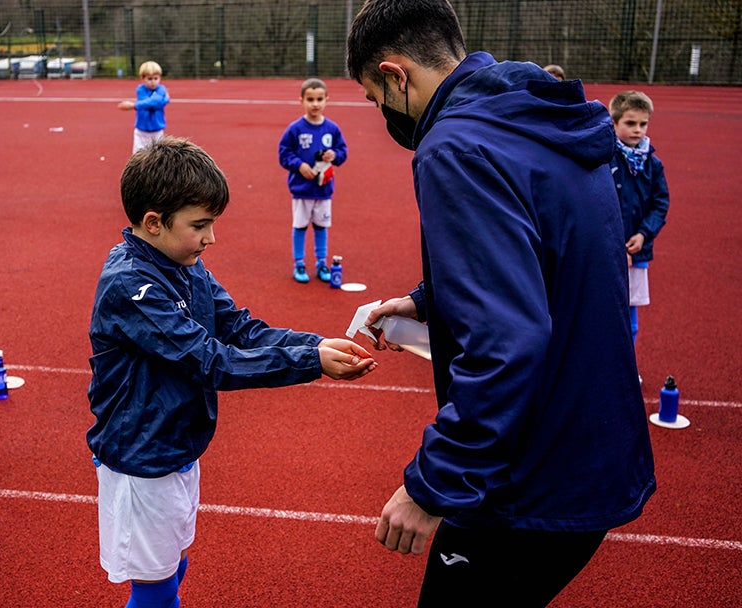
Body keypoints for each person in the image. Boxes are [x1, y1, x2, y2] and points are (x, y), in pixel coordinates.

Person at [346, 1, 655, 606]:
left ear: (395, 74)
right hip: (594, 442)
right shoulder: (537, 114)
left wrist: (434, 483)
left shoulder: (455, 146)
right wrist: (427, 300)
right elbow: (549, 255)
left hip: (532, 473)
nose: (381, 114)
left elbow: (507, 342)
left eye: (372, 96)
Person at [86, 136, 376, 608]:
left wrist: (315, 344)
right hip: (142, 457)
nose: (210, 238)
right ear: (154, 223)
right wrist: (310, 363)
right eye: (200, 225)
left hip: (176, 443)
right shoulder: (130, 286)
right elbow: (211, 361)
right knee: (156, 590)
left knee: (175, 564)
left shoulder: (185, 263)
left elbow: (239, 328)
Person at [609, 90, 670, 348]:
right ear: (615, 123)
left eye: (643, 124)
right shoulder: (604, 158)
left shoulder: (653, 164)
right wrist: (613, 245)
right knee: (603, 311)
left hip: (637, 251)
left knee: (630, 318)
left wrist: (644, 234)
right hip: (607, 252)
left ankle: (628, 368)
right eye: (630, 123)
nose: (637, 130)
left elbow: (660, 203)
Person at [278, 78, 348, 283]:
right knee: (300, 226)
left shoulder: (332, 129)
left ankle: (321, 262)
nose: (315, 104)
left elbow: (343, 152)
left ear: (327, 100)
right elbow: (284, 153)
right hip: (301, 189)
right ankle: (299, 263)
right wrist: (299, 165)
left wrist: (334, 155)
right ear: (301, 101)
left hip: (324, 189)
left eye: (319, 99)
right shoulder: (295, 129)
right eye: (310, 99)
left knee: (320, 226)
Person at [118, 60, 170, 154]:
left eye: (156, 78)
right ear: (142, 78)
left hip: (157, 131)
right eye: (150, 79)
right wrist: (164, 100)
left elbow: (155, 102)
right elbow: (153, 103)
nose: (153, 82)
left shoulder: (161, 89)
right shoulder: (140, 89)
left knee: (158, 156)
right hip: (141, 132)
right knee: (138, 155)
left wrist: (133, 105)